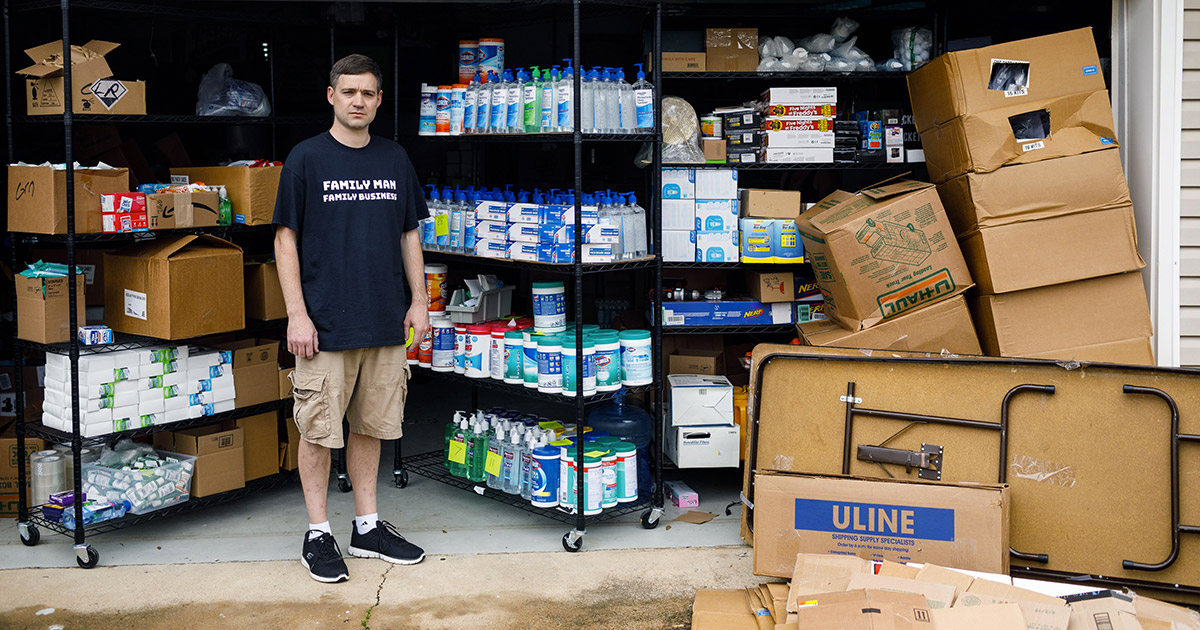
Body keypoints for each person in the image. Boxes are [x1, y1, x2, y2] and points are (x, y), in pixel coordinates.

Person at [273, 54, 430, 583]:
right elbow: (284, 239)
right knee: (318, 430)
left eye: (368, 93)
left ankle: (366, 525)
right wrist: (297, 313)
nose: (358, 101)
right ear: (331, 96)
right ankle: (318, 533)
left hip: (385, 320)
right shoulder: (306, 159)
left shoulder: (394, 159)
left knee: (372, 425)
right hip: (323, 325)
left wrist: (420, 300)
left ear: (379, 100)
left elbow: (411, 233)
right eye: (349, 92)